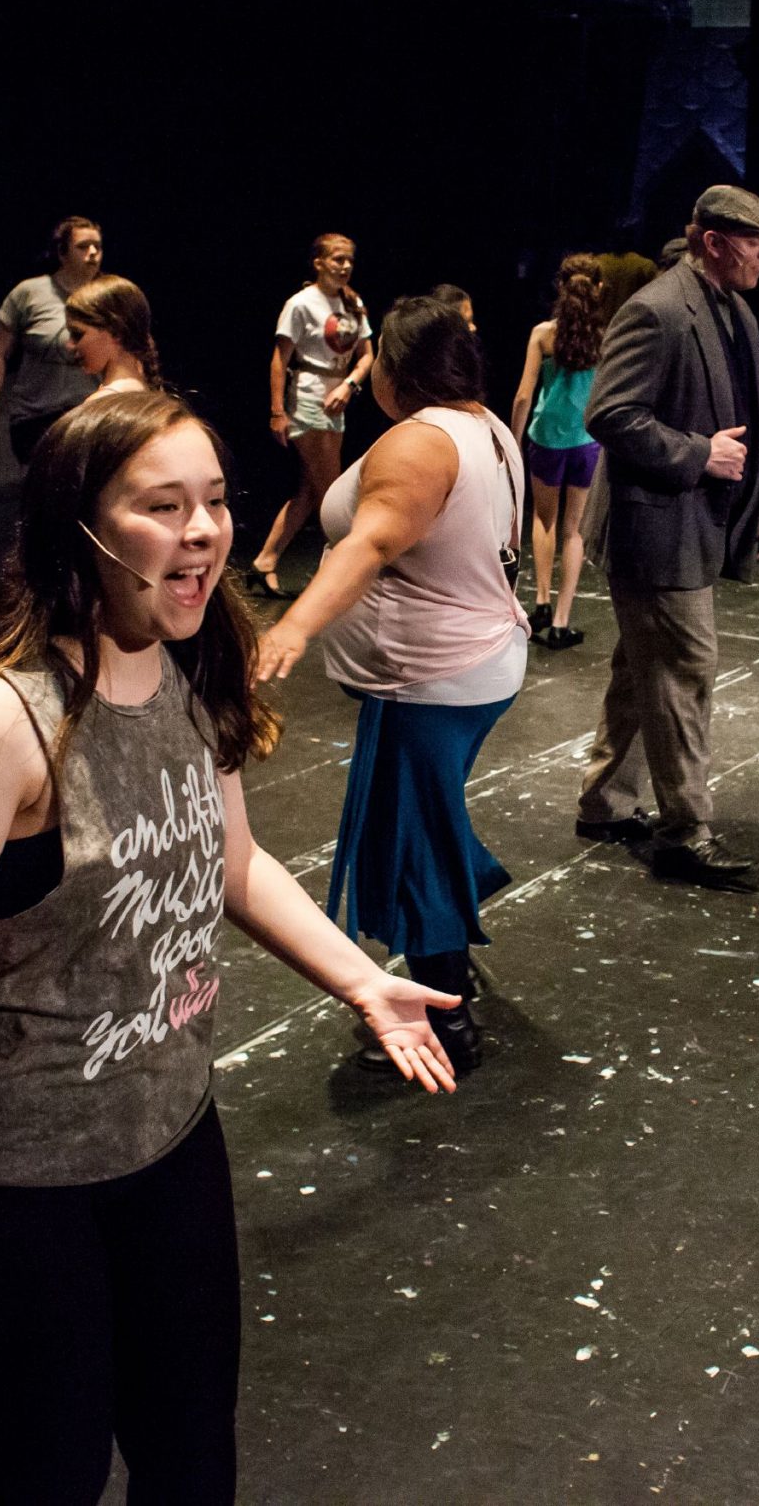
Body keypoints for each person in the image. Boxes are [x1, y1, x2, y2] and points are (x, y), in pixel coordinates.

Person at [0, 391, 459, 1505]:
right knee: (47, 1477)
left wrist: (360, 982)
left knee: (189, 1458)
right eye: (162, 507)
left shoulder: (188, 669)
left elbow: (231, 863)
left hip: (169, 1136)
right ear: (79, 525)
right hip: (19, 1181)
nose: (204, 532)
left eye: (214, 502)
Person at [254, 298, 526, 1074]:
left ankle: (446, 1015)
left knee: (411, 840)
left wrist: (295, 626)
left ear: (397, 371)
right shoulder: (485, 427)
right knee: (421, 821)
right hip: (471, 664)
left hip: (430, 677)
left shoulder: (422, 441)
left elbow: (369, 542)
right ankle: (455, 913)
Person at [575, 185, 759, 889]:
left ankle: (606, 800)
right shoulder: (659, 309)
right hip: (654, 528)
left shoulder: (735, 311)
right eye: (754, 240)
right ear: (714, 242)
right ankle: (685, 834)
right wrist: (699, 454)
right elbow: (610, 414)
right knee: (684, 672)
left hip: (697, 520)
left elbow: (751, 413)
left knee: (645, 670)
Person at [249, 234, 373, 599]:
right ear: (318, 262)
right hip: (307, 399)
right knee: (330, 491)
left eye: (350, 259)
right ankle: (346, 572)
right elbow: (279, 359)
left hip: (338, 400)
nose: (345, 266)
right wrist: (277, 411)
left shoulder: (353, 303)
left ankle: (265, 561)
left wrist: (348, 386)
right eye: (337, 259)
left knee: (310, 490)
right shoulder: (301, 304)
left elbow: (368, 355)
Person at [509, 254, 607, 649]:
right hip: (586, 441)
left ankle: (543, 602)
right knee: (574, 531)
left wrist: (512, 441)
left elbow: (522, 395)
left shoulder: (542, 334)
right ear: (598, 289)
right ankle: (562, 623)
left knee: (544, 522)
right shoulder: (607, 335)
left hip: (546, 438)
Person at [0, 216, 104, 462]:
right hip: (36, 416)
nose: (92, 253)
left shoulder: (110, 295)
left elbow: (135, 352)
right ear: (61, 252)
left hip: (90, 415)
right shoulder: (30, 293)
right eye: (83, 246)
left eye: (97, 247)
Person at [63, 274, 162, 402]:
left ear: (116, 333)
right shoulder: (153, 394)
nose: (69, 345)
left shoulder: (101, 403)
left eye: (77, 334)